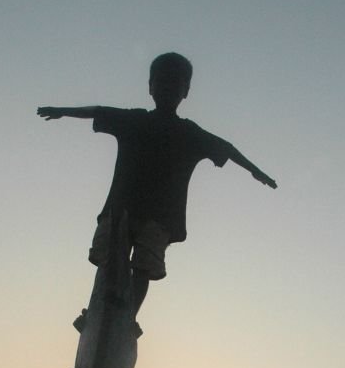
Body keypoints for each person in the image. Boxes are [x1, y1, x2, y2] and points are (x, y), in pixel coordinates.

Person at [38, 52, 276, 328]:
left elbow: (227, 148)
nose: (168, 89)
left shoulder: (189, 133)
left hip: (160, 219)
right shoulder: (135, 120)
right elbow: (98, 111)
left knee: (143, 268)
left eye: (176, 84)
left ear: (185, 91)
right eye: (163, 82)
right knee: (109, 259)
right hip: (121, 209)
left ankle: (129, 316)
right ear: (151, 86)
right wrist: (62, 111)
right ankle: (97, 310)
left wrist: (255, 171)